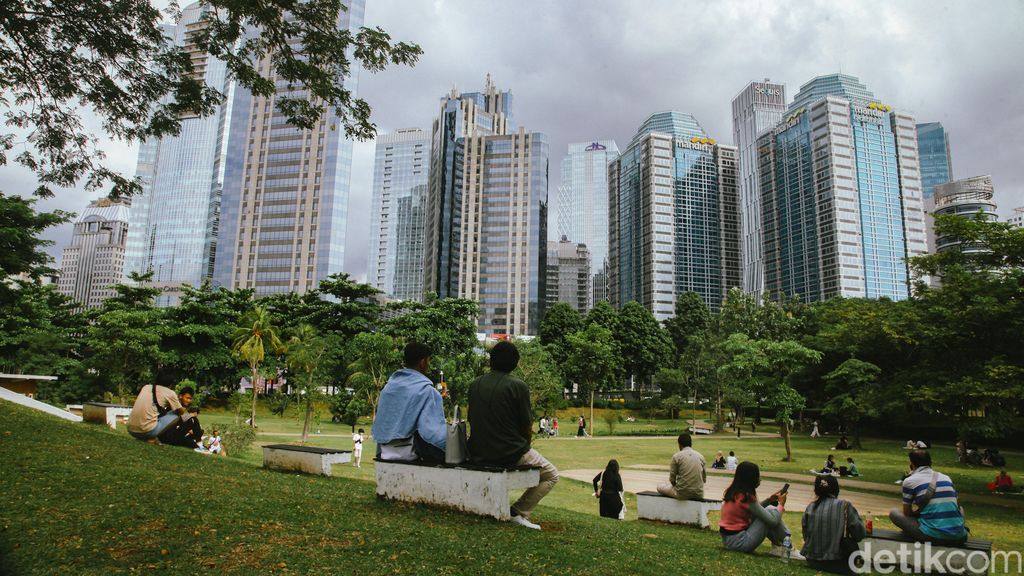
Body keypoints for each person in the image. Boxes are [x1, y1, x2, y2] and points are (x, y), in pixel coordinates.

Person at [468, 341, 559, 530]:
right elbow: (526, 425)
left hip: (477, 451)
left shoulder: (475, 385)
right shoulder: (518, 386)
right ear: (516, 363)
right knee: (551, 474)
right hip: (509, 451)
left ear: (490, 361)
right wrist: (524, 446)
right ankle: (517, 512)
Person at [371, 342, 446, 463]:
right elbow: (432, 433)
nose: (429, 365)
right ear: (422, 362)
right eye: (428, 361)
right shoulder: (427, 391)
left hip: (384, 452)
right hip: (411, 454)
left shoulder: (388, 388)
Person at [719, 461, 803, 559]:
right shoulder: (746, 497)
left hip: (730, 541)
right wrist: (781, 504)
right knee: (771, 514)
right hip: (739, 543)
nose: (760, 479)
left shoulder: (737, 492)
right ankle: (788, 546)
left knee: (770, 508)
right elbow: (773, 521)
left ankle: (778, 546)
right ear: (751, 479)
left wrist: (769, 500)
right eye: (757, 476)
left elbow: (756, 509)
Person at [889, 449, 967, 543]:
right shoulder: (946, 478)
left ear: (911, 463)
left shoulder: (909, 481)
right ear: (930, 462)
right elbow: (957, 505)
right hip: (960, 536)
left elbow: (907, 513)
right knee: (960, 509)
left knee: (894, 512)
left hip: (933, 536)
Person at [802, 475, 866, 574]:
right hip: (838, 562)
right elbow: (860, 534)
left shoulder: (810, 507)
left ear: (816, 490)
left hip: (812, 561)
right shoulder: (845, 506)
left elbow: (806, 536)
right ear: (836, 489)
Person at [127, 381, 201, 449]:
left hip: (169, 434)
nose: (189, 400)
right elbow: (171, 419)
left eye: (190, 399)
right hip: (167, 435)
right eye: (187, 398)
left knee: (190, 441)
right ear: (181, 396)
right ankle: (199, 443)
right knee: (193, 420)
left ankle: (197, 443)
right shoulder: (173, 405)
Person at [657, 433, 707, 500]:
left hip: (682, 494)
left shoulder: (676, 456)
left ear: (679, 444)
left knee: (659, 487)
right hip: (699, 494)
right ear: (691, 444)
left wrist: (679, 487)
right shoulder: (700, 456)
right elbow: (704, 479)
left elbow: (672, 480)